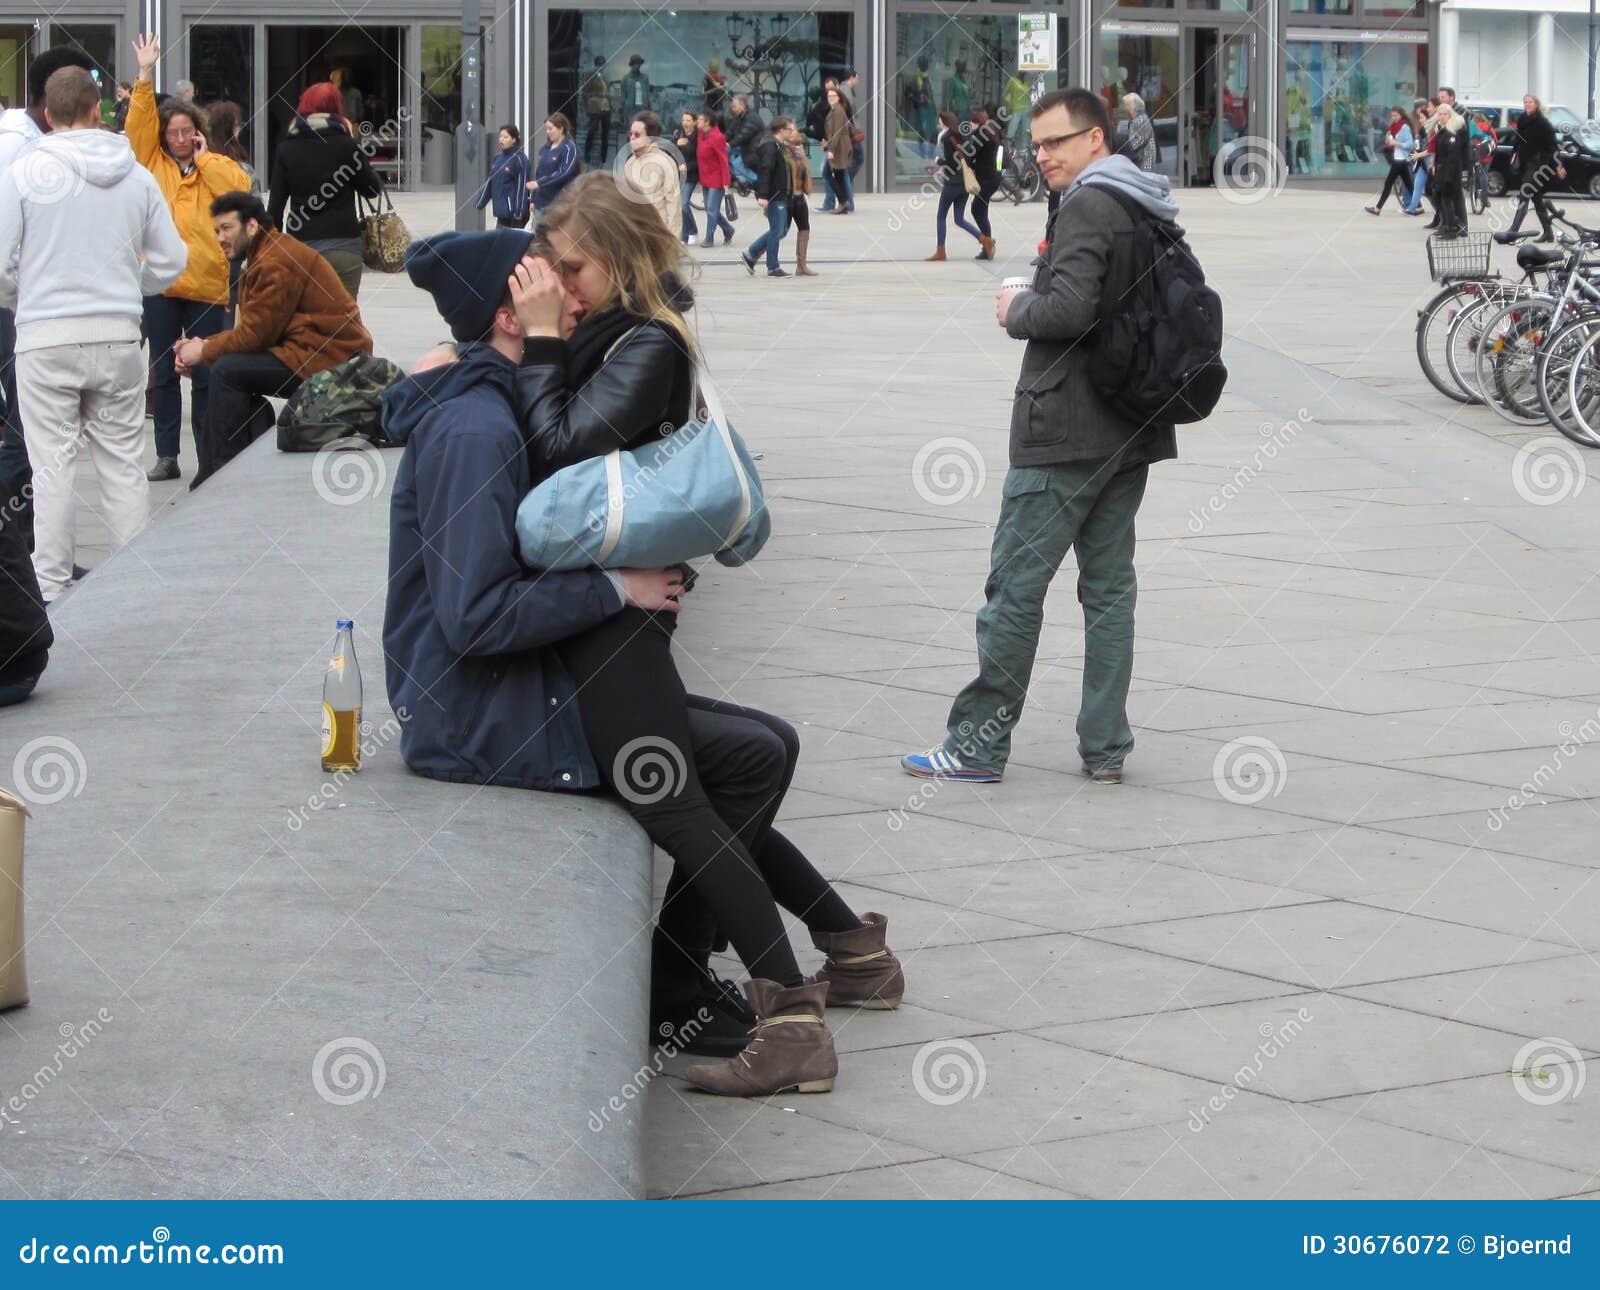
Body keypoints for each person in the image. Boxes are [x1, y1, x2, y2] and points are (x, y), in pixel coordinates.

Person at [391, 174, 902, 1092]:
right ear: (509, 310)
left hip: (572, 643)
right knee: (686, 783)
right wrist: (616, 589)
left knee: (746, 756)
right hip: (507, 695)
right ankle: (774, 1004)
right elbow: (475, 603)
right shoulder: (482, 417)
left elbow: (555, 447)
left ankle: (758, 980)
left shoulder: (614, 349)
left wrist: (512, 344)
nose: (556, 288)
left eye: (568, 270)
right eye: (539, 278)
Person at [901, 88, 1178, 787]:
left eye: (1056, 141)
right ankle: (1107, 749)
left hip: (1066, 429)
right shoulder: (1144, 198)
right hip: (1130, 424)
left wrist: (1016, 305)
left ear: (1095, 139)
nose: (1041, 155)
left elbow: (1073, 309)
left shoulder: (1089, 201)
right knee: (1110, 591)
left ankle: (976, 746)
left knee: (1016, 588)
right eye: (1037, 143)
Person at [0, 65, 187, 603]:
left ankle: (52, 587)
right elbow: (173, 259)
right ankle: (132, 586)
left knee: (52, 468)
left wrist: (22, 297)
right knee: (123, 464)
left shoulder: (27, 171)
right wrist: (133, 285)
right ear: (96, 110)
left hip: (45, 338)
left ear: (48, 113)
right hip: (118, 335)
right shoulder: (135, 173)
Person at [173, 192, 371, 486]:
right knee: (229, 370)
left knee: (228, 371)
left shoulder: (274, 262)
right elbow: (257, 329)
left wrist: (204, 350)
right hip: (307, 352)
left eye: (227, 228)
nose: (220, 238)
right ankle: (237, 468)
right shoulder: (267, 253)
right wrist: (205, 347)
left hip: (331, 360)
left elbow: (257, 336)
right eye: (216, 230)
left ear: (251, 226)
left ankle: (217, 475)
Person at [126, 34, 251, 485]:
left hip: (207, 286)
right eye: (171, 133)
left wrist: (206, 160)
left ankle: (208, 454)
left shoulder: (216, 165)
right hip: (160, 285)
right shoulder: (149, 163)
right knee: (162, 373)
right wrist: (144, 75)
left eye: (186, 132)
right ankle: (166, 455)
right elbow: (137, 126)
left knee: (204, 374)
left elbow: (239, 194)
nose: (178, 139)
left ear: (197, 132)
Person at [0, 43, 97, 542]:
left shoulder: (20, 136)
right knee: (26, 433)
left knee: (27, 428)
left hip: (18, 303)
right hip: (14, 306)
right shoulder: (24, 149)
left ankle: (29, 554)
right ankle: (25, 557)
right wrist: (24, 297)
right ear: (51, 103)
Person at [265, 82, 383, 302]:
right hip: (344, 247)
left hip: (301, 249)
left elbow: (275, 208)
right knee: (344, 322)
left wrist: (270, 251)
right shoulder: (346, 145)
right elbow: (371, 189)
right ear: (336, 108)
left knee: (306, 319)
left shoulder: (286, 148)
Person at [926, 111, 984, 261]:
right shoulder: (963, 135)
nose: (939, 124)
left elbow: (951, 163)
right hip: (965, 183)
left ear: (945, 122)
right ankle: (985, 240)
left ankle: (941, 251)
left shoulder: (946, 138)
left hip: (952, 183)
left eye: (940, 122)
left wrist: (939, 161)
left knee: (941, 216)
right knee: (959, 219)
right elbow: (969, 157)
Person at [1507, 94, 1565, 242]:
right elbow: (1518, 140)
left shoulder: (1543, 123)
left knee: (1524, 193)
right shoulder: (1522, 119)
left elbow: (1553, 146)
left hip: (1539, 164)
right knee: (1537, 198)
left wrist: (1559, 165)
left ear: (1536, 104)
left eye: (1530, 102)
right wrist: (1513, 155)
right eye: (1525, 102)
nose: (1527, 104)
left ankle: (1513, 230)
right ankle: (1548, 233)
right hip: (1526, 163)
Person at [740, 119, 793, 278]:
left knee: (780, 229)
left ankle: (751, 254)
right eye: (789, 129)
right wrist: (763, 195)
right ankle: (772, 267)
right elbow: (766, 170)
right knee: (777, 230)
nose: (791, 132)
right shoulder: (771, 146)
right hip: (774, 195)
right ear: (781, 130)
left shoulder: (779, 146)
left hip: (781, 194)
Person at [623, 110, 683, 238]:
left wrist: (672, 242)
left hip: (657, 237)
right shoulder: (629, 164)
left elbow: (673, 205)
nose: (632, 137)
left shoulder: (665, 162)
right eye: (631, 133)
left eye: (637, 134)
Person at [779, 116, 816, 276]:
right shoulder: (781, 150)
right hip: (787, 197)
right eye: (792, 130)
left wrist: (802, 158)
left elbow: (806, 173)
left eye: (795, 130)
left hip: (799, 196)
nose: (796, 133)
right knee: (781, 231)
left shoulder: (799, 150)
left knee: (804, 228)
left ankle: (801, 265)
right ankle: (753, 254)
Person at [525, 112, 580, 220]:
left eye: (550, 129)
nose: (547, 132)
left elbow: (564, 172)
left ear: (561, 129)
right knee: (538, 235)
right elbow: (539, 173)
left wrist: (539, 183)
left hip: (559, 204)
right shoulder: (545, 148)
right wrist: (533, 200)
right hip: (540, 204)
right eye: (546, 129)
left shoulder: (570, 148)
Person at [694, 109, 736, 247]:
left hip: (716, 179)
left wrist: (726, 182)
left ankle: (709, 238)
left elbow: (723, 160)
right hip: (705, 177)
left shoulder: (717, 137)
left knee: (711, 209)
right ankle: (728, 229)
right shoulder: (701, 133)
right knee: (709, 209)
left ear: (707, 122)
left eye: (700, 120)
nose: (697, 122)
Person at [477, 123, 531, 229]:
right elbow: (490, 182)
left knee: (513, 244)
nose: (501, 139)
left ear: (514, 139)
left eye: (505, 137)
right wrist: (480, 202)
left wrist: (519, 211)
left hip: (514, 215)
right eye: (500, 136)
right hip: (500, 212)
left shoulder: (520, 159)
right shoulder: (497, 158)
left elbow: (522, 186)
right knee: (499, 242)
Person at [967, 106, 1003, 260]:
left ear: (976, 122)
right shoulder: (992, 130)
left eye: (971, 121)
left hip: (987, 178)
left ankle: (987, 243)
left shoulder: (979, 135)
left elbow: (971, 156)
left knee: (977, 209)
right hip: (994, 176)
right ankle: (987, 243)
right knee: (981, 209)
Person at [1365, 106, 1416, 215]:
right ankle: (1419, 206)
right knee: (1408, 184)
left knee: (1389, 183)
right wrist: (1390, 140)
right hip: (1398, 158)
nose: (1393, 118)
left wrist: (1396, 143)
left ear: (1401, 115)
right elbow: (1392, 139)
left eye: (1395, 115)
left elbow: (1410, 144)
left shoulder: (1404, 127)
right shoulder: (1394, 126)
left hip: (1401, 160)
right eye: (1392, 116)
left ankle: (1378, 208)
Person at [1432, 102, 1469, 236]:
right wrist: (1435, 166)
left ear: (1450, 114)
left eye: (1444, 114)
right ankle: (1454, 225)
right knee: (1444, 198)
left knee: (1448, 199)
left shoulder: (1453, 131)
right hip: (1444, 170)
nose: (1441, 116)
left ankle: (1453, 227)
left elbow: (1453, 156)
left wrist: (1448, 176)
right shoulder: (1443, 129)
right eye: (1440, 114)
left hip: (1451, 172)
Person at [818, 77, 855, 213]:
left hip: (839, 148)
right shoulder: (835, 110)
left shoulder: (838, 111)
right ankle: (844, 203)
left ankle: (844, 202)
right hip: (838, 146)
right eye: (829, 96)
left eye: (833, 96)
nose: (831, 98)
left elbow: (838, 132)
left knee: (828, 173)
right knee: (838, 175)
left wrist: (831, 149)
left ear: (838, 97)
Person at [204, 100, 255, 189]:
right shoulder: (243, 170)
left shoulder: (193, 166)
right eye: (236, 125)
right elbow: (254, 201)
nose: (239, 130)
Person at [726, 95, 764, 191]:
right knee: (726, 152)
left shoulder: (752, 118)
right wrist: (720, 141)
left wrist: (730, 144)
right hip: (746, 146)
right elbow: (730, 132)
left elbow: (743, 135)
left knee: (737, 164)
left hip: (756, 149)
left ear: (742, 105)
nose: (732, 109)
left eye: (734, 106)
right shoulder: (739, 117)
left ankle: (759, 183)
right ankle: (733, 178)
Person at [675, 109, 701, 244]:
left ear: (695, 122)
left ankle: (693, 230)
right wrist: (676, 144)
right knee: (680, 205)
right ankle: (685, 235)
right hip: (679, 175)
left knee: (684, 203)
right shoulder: (678, 134)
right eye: (684, 120)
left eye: (688, 120)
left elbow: (699, 158)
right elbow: (670, 150)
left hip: (691, 175)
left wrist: (687, 167)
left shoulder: (698, 137)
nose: (685, 123)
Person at [1118, 94, 1158, 172]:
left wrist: (1123, 149)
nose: (1125, 108)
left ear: (1133, 107)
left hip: (1144, 159)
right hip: (1139, 159)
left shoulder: (1141, 120)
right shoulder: (1135, 119)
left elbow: (1138, 141)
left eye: (1126, 105)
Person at [582, 58, 610, 164]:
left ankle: (604, 159)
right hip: (594, 108)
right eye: (600, 65)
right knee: (592, 132)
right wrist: (587, 108)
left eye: (603, 65)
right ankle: (587, 156)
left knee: (605, 134)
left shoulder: (605, 78)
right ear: (597, 65)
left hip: (606, 108)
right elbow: (585, 93)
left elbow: (607, 92)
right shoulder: (591, 76)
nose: (602, 67)